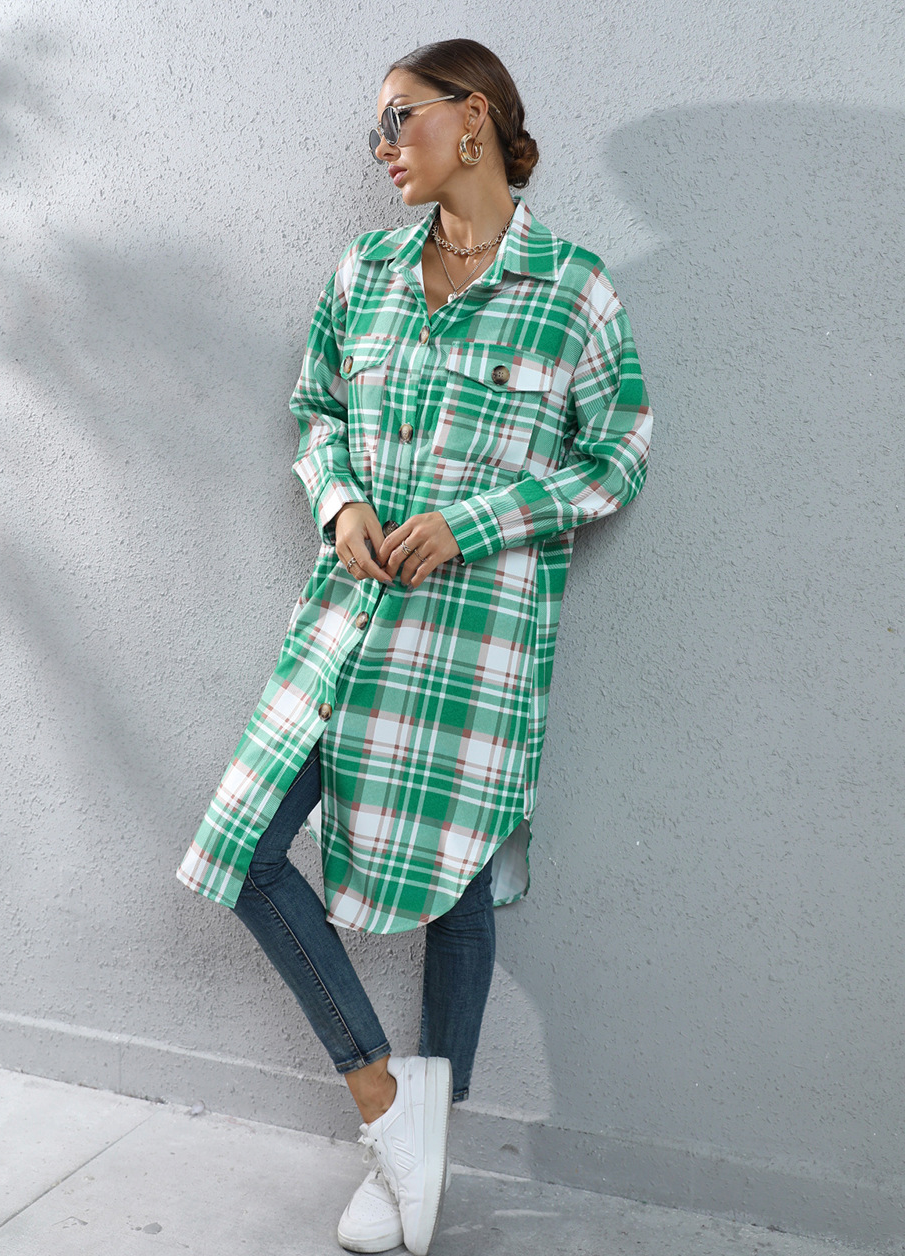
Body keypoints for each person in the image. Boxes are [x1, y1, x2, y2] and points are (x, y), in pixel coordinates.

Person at [176, 37, 653, 1256]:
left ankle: (416, 1163)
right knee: (242, 847)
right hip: (346, 617)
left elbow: (617, 456)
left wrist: (476, 521)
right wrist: (340, 504)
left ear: (472, 116)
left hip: (475, 643)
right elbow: (317, 409)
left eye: (399, 118)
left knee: (459, 885)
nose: (382, 146)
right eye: (376, 127)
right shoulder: (367, 271)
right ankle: (390, 1103)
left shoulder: (573, 289)